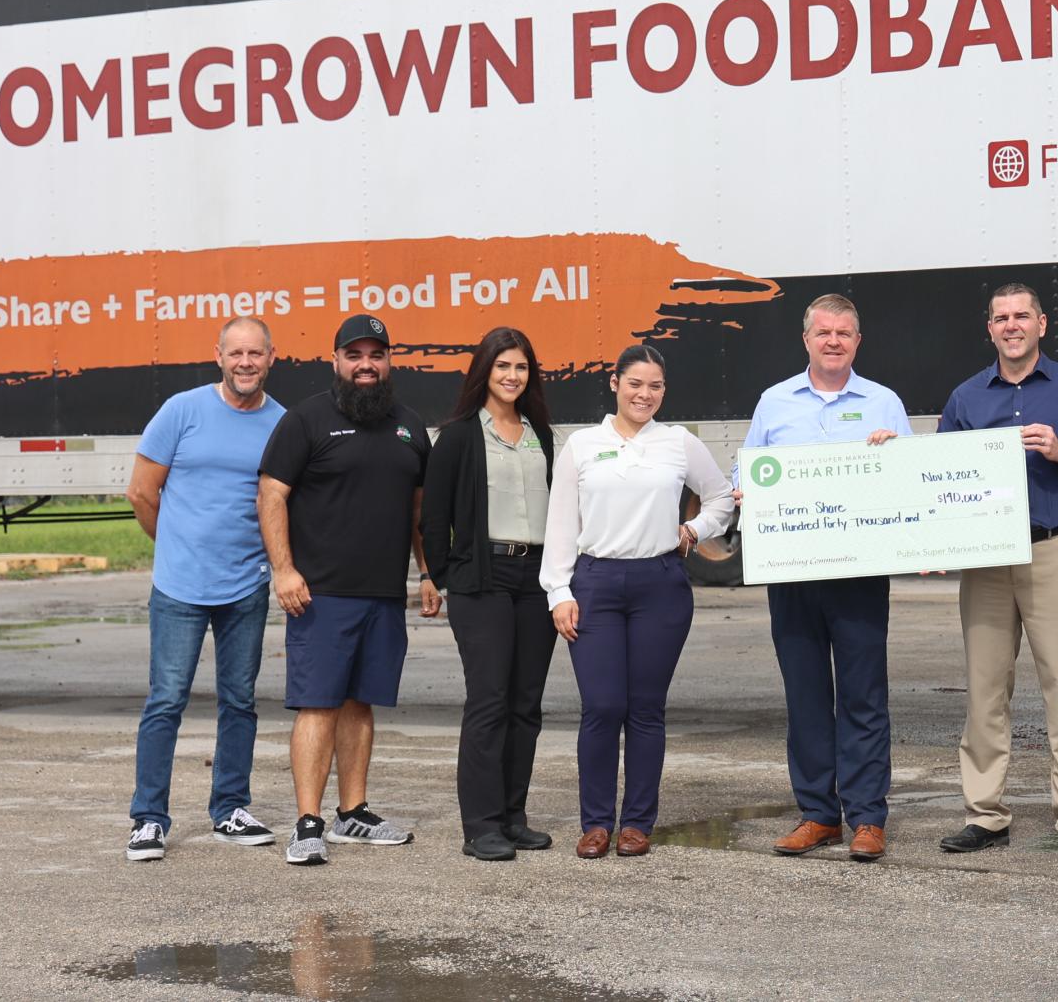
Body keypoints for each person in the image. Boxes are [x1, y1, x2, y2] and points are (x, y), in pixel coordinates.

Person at [936, 282, 1058, 859]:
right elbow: (938, 475)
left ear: (1042, 324)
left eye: (1022, 316)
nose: (1011, 326)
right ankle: (984, 814)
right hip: (987, 561)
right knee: (985, 692)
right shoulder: (966, 397)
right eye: (1001, 318)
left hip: (1050, 550)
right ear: (989, 328)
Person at [542, 343, 734, 859]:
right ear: (615, 384)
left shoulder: (679, 442)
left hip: (660, 584)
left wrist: (694, 529)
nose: (644, 395)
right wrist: (559, 591)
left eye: (655, 386)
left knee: (646, 709)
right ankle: (596, 823)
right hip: (595, 583)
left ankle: (637, 823)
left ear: (664, 391)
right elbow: (560, 523)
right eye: (635, 384)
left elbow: (721, 498)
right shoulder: (583, 445)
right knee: (603, 706)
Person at [257, 314, 435, 866]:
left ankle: (352, 813)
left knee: (360, 703)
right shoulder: (306, 420)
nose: (365, 365)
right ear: (335, 360)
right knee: (318, 705)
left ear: (389, 361)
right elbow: (271, 494)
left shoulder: (409, 426)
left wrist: (427, 573)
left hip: (384, 594)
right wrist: (284, 570)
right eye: (354, 355)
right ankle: (307, 823)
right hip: (321, 595)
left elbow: (419, 511)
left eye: (375, 355)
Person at [740, 295, 908, 864]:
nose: (833, 341)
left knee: (864, 697)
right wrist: (744, 489)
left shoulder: (884, 403)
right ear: (806, 339)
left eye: (844, 333)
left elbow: (913, 482)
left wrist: (894, 456)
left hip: (860, 574)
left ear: (857, 342)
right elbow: (748, 468)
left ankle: (866, 817)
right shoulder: (774, 401)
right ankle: (817, 814)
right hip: (792, 573)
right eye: (823, 332)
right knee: (806, 695)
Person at [122, 317, 288, 862]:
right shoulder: (182, 410)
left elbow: (282, 503)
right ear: (218, 356)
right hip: (179, 588)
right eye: (236, 353)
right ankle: (149, 819)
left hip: (246, 586)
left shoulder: (282, 424)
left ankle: (230, 809)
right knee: (166, 701)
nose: (245, 362)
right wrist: (175, 545)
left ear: (271, 358)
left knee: (239, 701)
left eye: (255, 353)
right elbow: (142, 492)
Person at [420, 327, 558, 862]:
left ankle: (512, 817)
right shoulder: (457, 436)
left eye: (521, 367)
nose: (512, 376)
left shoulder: (539, 433)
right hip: (483, 578)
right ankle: (480, 826)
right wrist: (442, 575)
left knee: (526, 703)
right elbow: (434, 516)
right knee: (490, 700)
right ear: (484, 371)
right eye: (503, 366)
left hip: (536, 578)